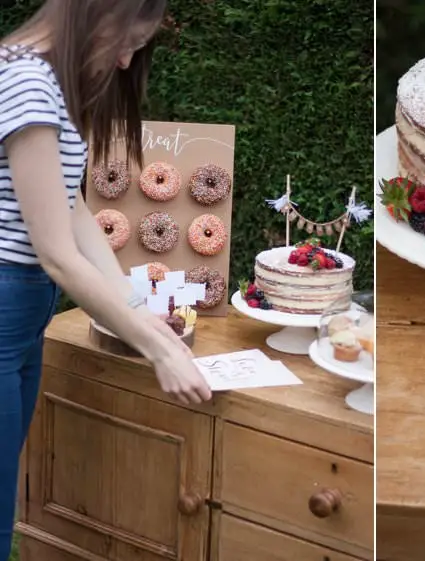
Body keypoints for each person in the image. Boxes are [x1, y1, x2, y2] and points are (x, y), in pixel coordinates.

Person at [0, 1, 212, 557]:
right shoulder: (26, 81)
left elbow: (71, 210)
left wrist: (136, 300)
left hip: (22, 324)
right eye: (125, 41)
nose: (124, 60)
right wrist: (156, 349)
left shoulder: (48, 82)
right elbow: (56, 254)